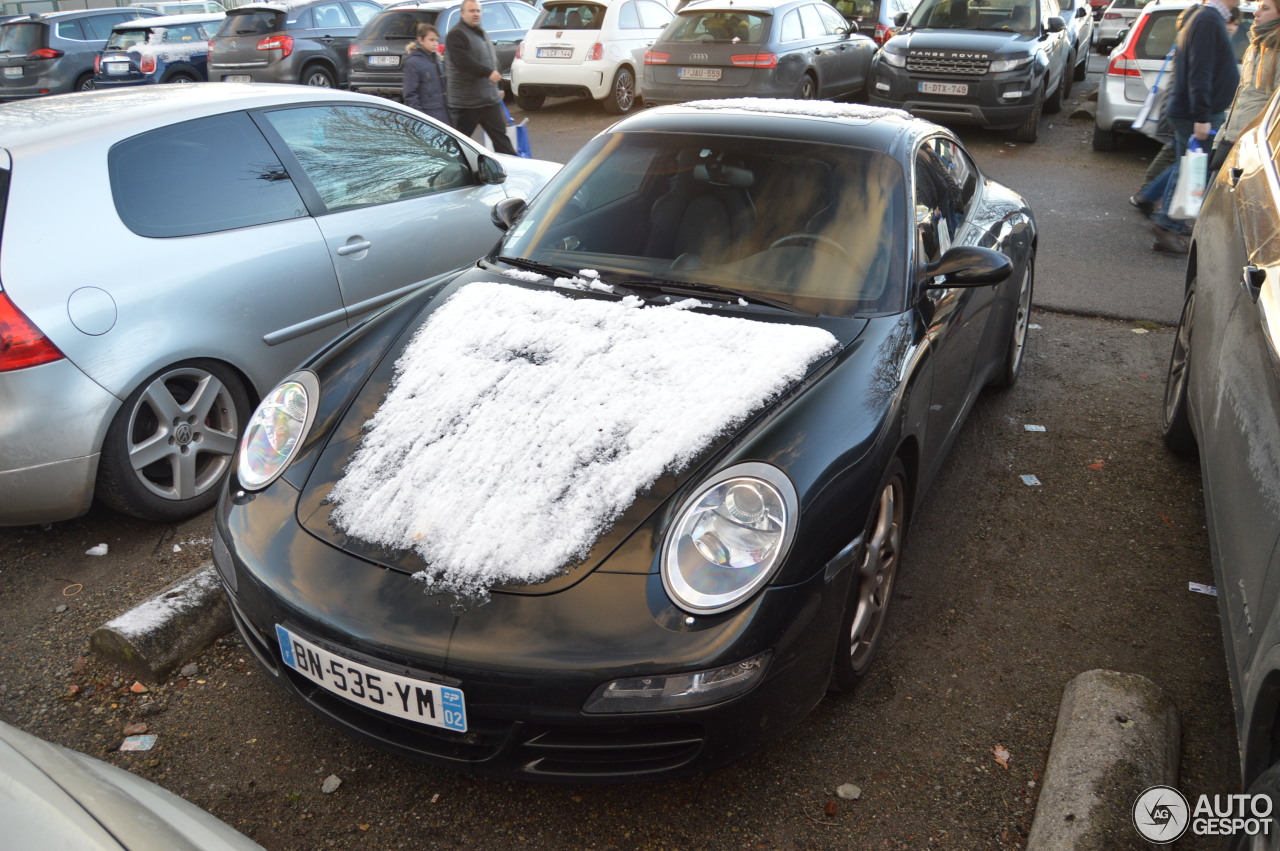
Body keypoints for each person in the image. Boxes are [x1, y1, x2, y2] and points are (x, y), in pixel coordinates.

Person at [1149, 0, 1241, 254]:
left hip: (1194, 110)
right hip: (1196, 113)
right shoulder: (1209, 19)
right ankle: (1167, 225)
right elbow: (1200, 71)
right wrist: (1202, 116)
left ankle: (1168, 223)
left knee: (1185, 167)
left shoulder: (1207, 17)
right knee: (1189, 170)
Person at [1211, 0, 1280, 173]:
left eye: (1265, 9)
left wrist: (1255, 138)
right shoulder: (1255, 45)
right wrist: (1219, 139)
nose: (1256, 13)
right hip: (1231, 139)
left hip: (1255, 148)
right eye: (1258, 8)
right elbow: (1240, 97)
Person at [445, 0, 516, 155]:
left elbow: (492, 60)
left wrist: (500, 86)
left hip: (488, 100)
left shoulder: (481, 32)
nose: (476, 14)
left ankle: (513, 171)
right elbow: (462, 62)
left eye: (478, 11)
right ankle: (449, 172)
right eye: (471, 11)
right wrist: (487, 73)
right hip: (467, 102)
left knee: (501, 140)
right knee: (459, 144)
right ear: (462, 13)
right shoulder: (456, 35)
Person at [402, 23, 449, 124]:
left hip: (443, 114)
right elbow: (410, 95)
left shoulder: (437, 60)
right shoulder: (413, 62)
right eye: (431, 40)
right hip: (428, 116)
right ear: (421, 40)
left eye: (437, 40)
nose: (435, 43)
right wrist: (421, 119)